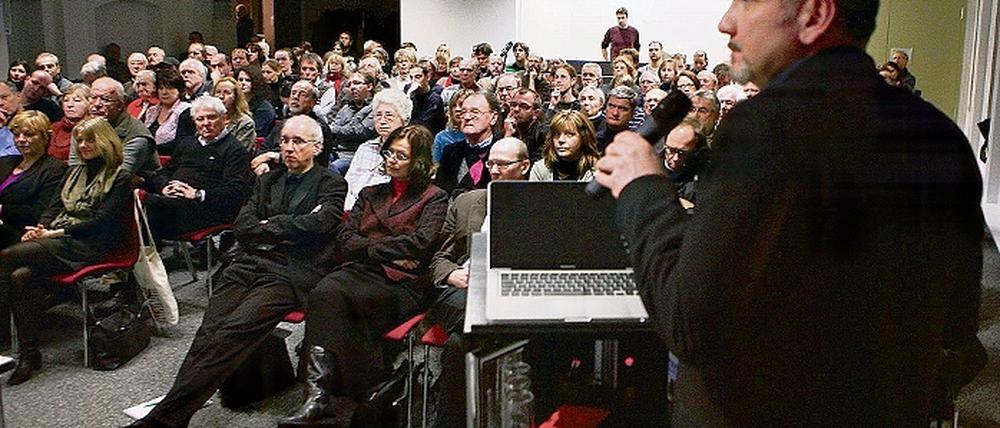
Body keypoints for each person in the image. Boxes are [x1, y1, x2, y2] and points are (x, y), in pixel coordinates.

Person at [593, 0, 984, 425]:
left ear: (814, 15)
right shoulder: (941, 136)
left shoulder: (766, 129)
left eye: (746, 2)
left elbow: (691, 324)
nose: (726, 22)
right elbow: (956, 326)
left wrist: (643, 187)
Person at [126, 115, 347, 428]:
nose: (288, 148)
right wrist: (281, 225)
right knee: (207, 333)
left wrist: (271, 224)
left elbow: (320, 224)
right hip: (247, 262)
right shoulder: (269, 180)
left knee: (231, 334)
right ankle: (175, 413)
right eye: (284, 141)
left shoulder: (332, 182)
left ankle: (164, 419)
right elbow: (243, 225)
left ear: (317, 146)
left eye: (298, 141)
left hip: (286, 272)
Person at [283, 124, 448, 424]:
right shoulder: (371, 192)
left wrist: (368, 245)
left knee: (331, 298)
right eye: (389, 153)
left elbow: (421, 243)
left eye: (401, 155)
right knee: (326, 294)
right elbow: (344, 240)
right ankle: (322, 393)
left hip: (402, 283)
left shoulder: (434, 197)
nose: (392, 160)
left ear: (419, 161)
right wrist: (389, 250)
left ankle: (325, 393)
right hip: (360, 270)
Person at [0, 117, 132, 385]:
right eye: (80, 140)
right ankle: (29, 355)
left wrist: (55, 233)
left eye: (89, 140)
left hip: (94, 244)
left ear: (105, 141)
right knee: (20, 276)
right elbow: (55, 207)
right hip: (64, 236)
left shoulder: (120, 175)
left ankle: (1, 329)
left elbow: (101, 222)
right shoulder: (75, 172)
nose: (83, 145)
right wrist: (41, 227)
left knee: (7, 255)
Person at [425, 137, 530, 427]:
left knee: (459, 345)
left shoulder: (540, 205)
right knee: (478, 323)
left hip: (511, 292)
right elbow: (440, 257)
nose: (494, 170)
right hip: (464, 288)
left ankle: (450, 420)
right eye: (491, 163)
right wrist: (449, 273)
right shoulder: (466, 201)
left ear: (524, 166)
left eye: (503, 164)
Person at [143, 95, 253, 241]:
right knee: (133, 200)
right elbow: (164, 172)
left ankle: (144, 258)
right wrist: (165, 187)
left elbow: (236, 192)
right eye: (200, 119)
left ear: (224, 118)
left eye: (211, 117)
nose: (206, 123)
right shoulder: (187, 143)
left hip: (204, 209)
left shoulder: (235, 150)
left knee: (147, 206)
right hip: (173, 200)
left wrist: (197, 193)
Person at [0, 111, 66, 247]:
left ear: (45, 137)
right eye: (17, 135)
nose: (21, 139)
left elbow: (38, 211)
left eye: (29, 134)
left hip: (21, 231)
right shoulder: (5, 162)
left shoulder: (55, 168)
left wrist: (1, 210)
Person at [71, 78, 159, 178]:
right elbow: (75, 168)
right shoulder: (83, 128)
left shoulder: (137, 135)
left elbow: (118, 176)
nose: (97, 104)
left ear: (120, 105)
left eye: (106, 99)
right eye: (93, 97)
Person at [343, 89, 412, 210]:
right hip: (352, 208)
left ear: (404, 120)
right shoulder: (365, 148)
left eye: (389, 115)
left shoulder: (410, 151)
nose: (382, 121)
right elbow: (349, 184)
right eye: (378, 115)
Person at [436, 91, 499, 197]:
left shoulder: (502, 151)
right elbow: (440, 191)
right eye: (463, 112)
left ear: (493, 118)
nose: (467, 117)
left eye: (475, 112)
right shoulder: (450, 151)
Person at [328, 72, 377, 175]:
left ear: (369, 86)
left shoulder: (375, 107)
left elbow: (361, 132)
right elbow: (335, 127)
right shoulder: (345, 108)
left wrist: (336, 129)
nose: (352, 87)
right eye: (349, 84)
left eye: (356, 83)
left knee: (334, 168)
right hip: (337, 151)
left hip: (356, 154)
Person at [530, 110, 599, 181]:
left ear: (584, 138)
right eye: (557, 134)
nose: (561, 140)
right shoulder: (540, 169)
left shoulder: (596, 172)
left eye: (569, 134)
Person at [144, 69, 193, 155]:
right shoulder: (151, 111)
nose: (164, 92)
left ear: (179, 90)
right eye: (161, 88)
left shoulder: (186, 110)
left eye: (169, 88)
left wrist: (149, 149)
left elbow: (181, 143)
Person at [212, 76, 257, 151]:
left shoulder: (245, 123)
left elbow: (239, 152)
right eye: (218, 92)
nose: (221, 96)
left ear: (236, 97)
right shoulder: (208, 120)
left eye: (227, 92)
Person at [49, 84, 91, 161]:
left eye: (77, 100)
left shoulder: (93, 129)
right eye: (66, 100)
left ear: (89, 104)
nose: (70, 105)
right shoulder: (54, 127)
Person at [236, 66, 278, 139]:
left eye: (248, 80)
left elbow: (257, 135)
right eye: (240, 80)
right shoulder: (236, 103)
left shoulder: (264, 109)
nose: (243, 83)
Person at [432, 88, 472, 165]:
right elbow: (435, 166)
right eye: (454, 105)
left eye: (461, 104)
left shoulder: (478, 136)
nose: (457, 109)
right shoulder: (441, 137)